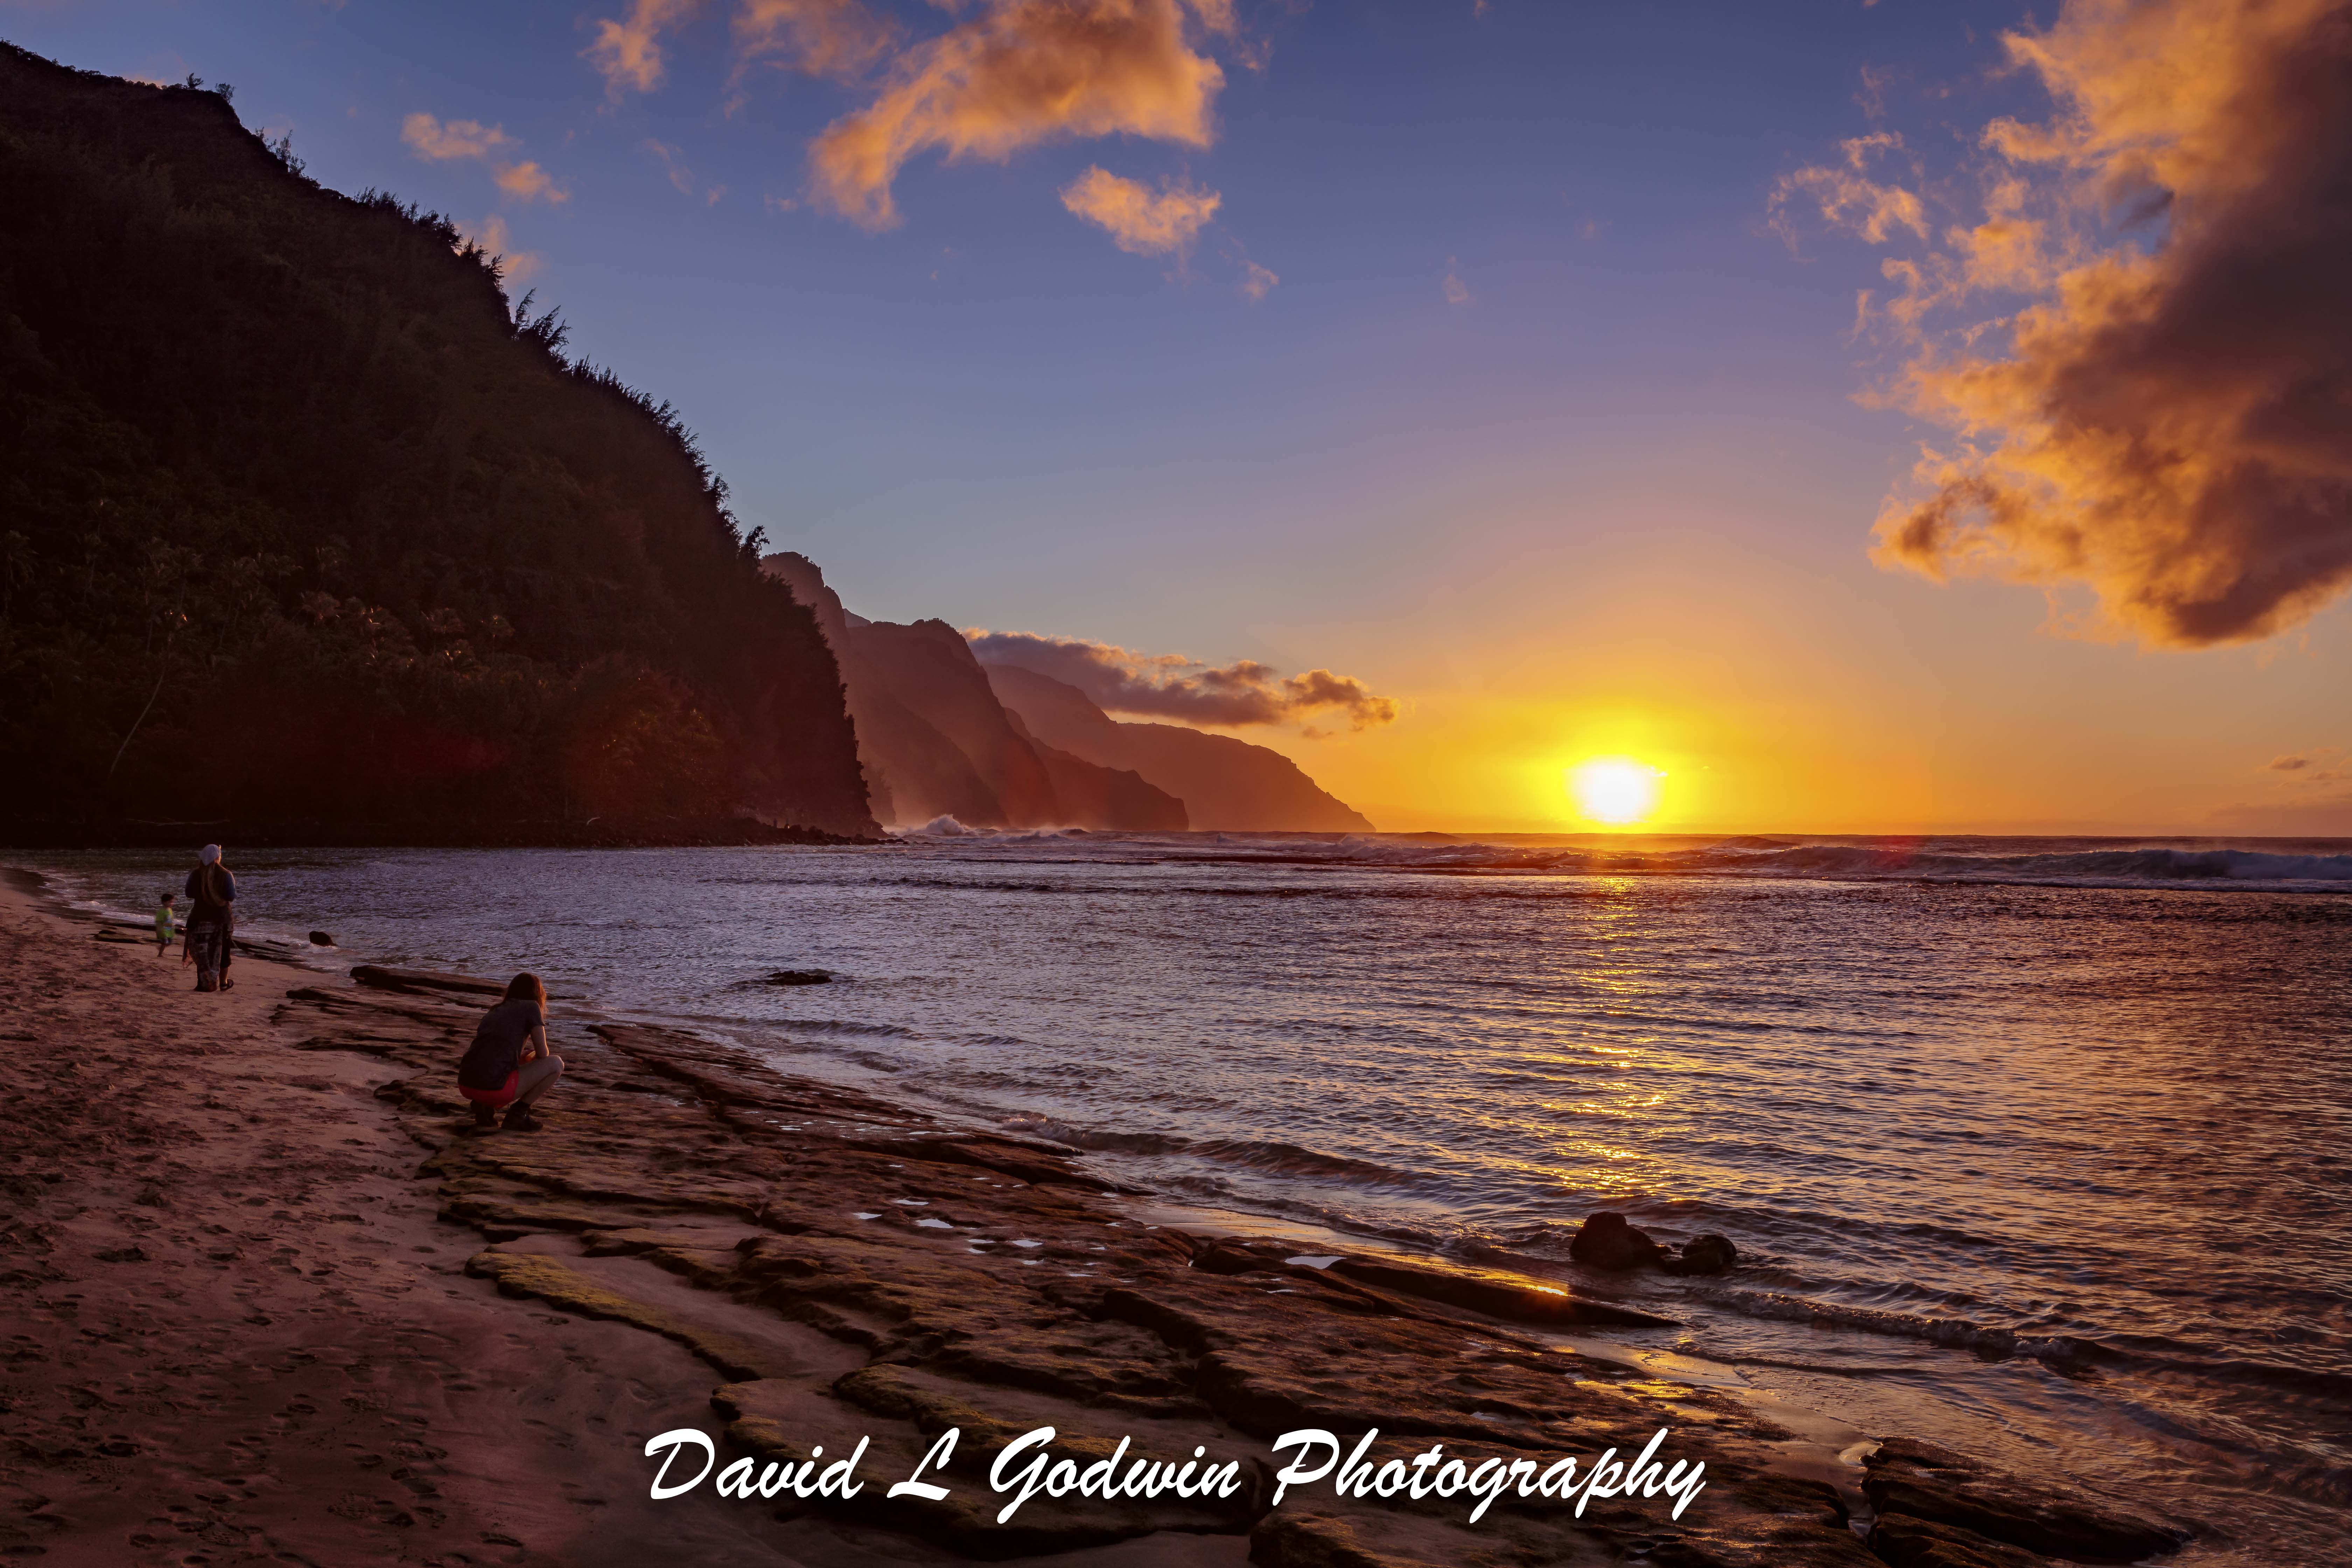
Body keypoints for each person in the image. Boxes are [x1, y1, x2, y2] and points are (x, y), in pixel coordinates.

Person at [456, 974, 564, 1132]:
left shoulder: (495, 1010)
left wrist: (520, 1056)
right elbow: (543, 1053)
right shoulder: (531, 1007)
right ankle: (517, 1115)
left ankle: (483, 1106)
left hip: (466, 1084)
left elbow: (492, 1050)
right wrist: (533, 1056)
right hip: (494, 1089)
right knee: (556, 1064)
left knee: (501, 1068)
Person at [183, 845, 237, 992]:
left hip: (199, 918)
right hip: (221, 919)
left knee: (202, 952)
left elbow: (188, 893)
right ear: (218, 858)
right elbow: (231, 897)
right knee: (223, 951)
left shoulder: (196, 874)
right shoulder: (226, 875)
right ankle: (223, 983)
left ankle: (204, 982)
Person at [154, 893, 177, 957]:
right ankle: (160, 954)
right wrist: (159, 930)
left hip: (169, 930)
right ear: (164, 902)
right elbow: (159, 922)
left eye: (173, 902)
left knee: (169, 943)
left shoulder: (170, 910)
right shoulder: (161, 911)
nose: (172, 904)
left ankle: (160, 948)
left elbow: (170, 919)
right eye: (170, 902)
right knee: (165, 943)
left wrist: (173, 926)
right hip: (163, 930)